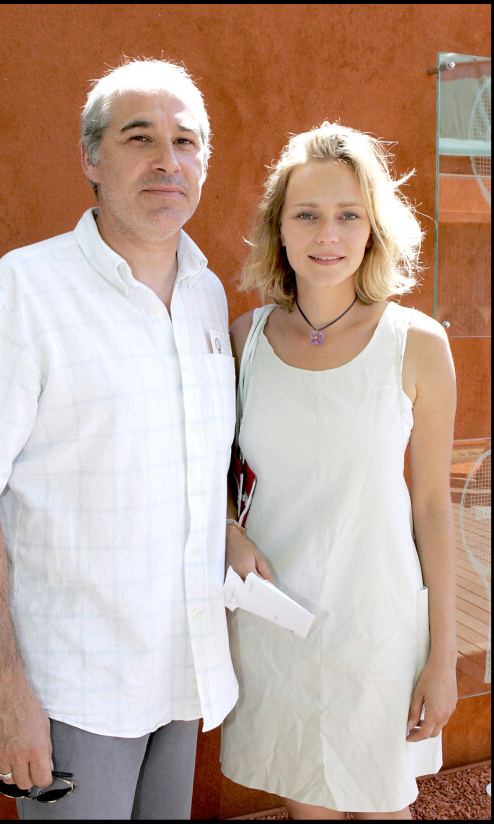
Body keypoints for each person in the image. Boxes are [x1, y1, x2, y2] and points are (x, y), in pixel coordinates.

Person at [0, 58, 239, 820]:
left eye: (186, 141)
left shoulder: (206, 295)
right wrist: (4, 689)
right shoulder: (24, 290)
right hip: (73, 690)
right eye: (141, 138)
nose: (168, 160)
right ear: (91, 161)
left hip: (182, 673)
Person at [220, 122, 458, 820]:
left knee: (383, 805)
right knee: (307, 809)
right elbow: (213, 476)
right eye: (308, 214)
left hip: (378, 630)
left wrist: (444, 656)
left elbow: (434, 509)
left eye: (348, 214)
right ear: (280, 231)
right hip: (277, 626)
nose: (328, 234)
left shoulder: (416, 343)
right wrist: (227, 537)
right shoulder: (245, 341)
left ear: (373, 229)